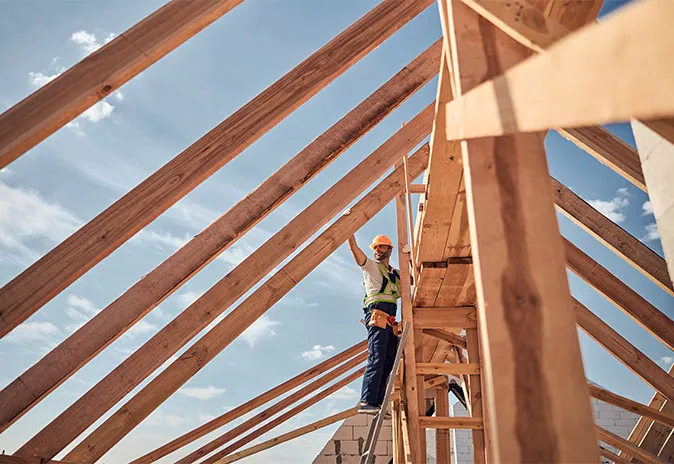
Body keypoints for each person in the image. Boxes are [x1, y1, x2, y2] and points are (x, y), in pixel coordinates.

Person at [347, 233, 400, 415]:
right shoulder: (371, 267)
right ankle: (367, 401)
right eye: (376, 248)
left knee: (389, 361)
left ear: (389, 250)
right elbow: (356, 251)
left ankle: (377, 403)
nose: (377, 250)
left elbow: (412, 282)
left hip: (390, 323)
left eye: (381, 247)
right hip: (377, 317)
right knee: (377, 357)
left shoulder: (395, 274)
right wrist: (349, 233)